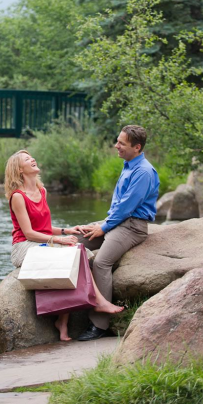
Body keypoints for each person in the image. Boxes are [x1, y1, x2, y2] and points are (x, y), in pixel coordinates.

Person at [5, 149, 124, 342]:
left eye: (32, 156)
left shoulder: (42, 191)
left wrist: (66, 231)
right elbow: (28, 233)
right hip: (24, 247)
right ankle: (99, 301)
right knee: (70, 254)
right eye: (27, 159)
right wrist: (59, 240)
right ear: (19, 170)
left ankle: (62, 321)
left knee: (76, 255)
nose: (33, 159)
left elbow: (43, 227)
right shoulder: (18, 196)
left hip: (40, 242)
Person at [75, 125, 159, 341]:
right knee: (75, 241)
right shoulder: (129, 164)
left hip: (132, 227)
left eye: (121, 143)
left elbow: (127, 206)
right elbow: (119, 207)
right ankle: (67, 309)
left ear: (137, 147)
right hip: (117, 220)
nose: (116, 146)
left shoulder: (143, 172)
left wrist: (103, 227)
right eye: (118, 141)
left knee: (101, 262)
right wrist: (102, 224)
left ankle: (99, 325)